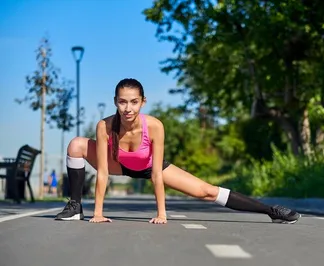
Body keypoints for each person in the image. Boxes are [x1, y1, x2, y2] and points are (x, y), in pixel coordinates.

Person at [55, 78, 301, 224]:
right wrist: (98, 213)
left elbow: (157, 175)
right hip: (118, 163)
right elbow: (103, 173)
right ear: (115, 101)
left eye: (133, 102)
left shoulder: (154, 126)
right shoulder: (105, 126)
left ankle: (271, 210)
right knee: (77, 144)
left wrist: (161, 213)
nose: (127, 108)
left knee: (206, 191)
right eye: (122, 101)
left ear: (142, 101)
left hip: (149, 166)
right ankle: (76, 206)